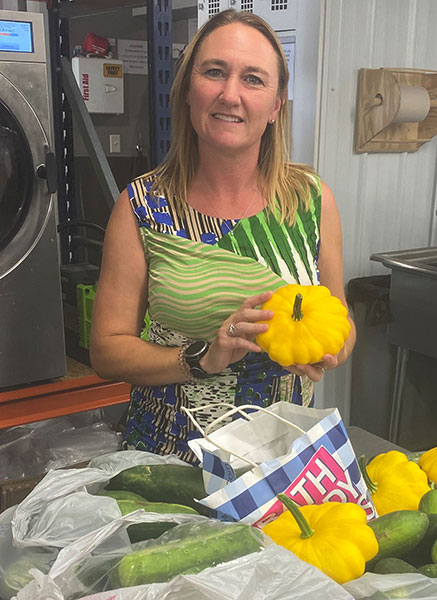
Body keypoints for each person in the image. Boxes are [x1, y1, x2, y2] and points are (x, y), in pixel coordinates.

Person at [89, 9, 356, 463]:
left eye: (253, 79)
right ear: (188, 92)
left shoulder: (311, 201)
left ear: (275, 105)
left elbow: (341, 322)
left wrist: (329, 350)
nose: (230, 95)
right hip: (170, 457)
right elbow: (107, 351)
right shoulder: (142, 206)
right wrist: (202, 357)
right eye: (214, 73)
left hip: (282, 460)